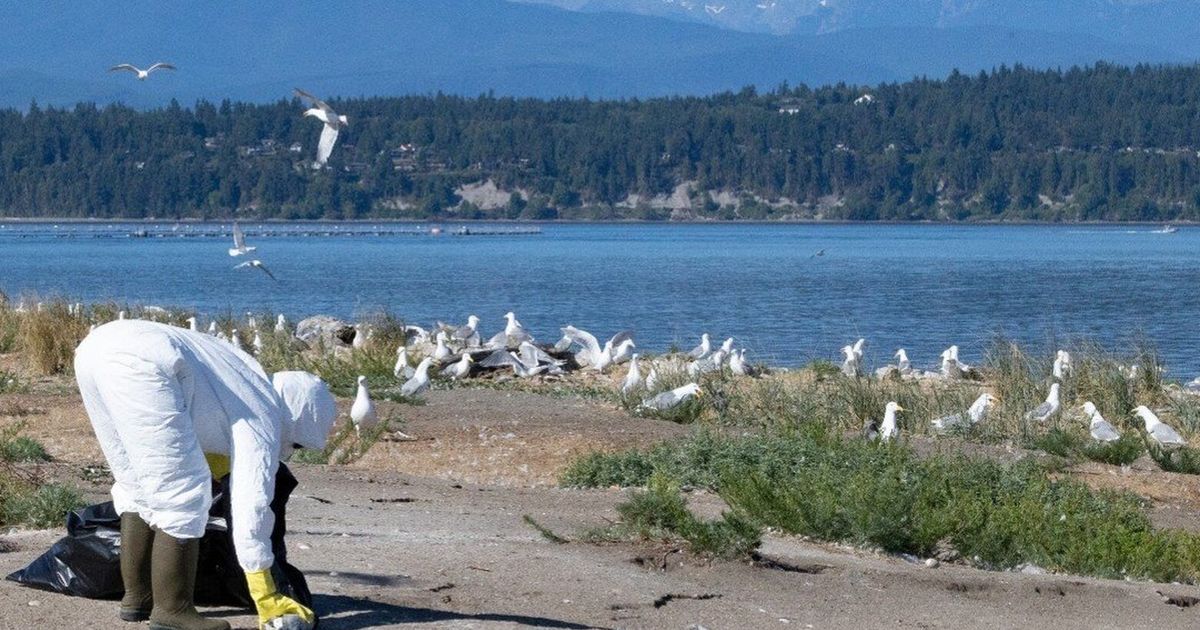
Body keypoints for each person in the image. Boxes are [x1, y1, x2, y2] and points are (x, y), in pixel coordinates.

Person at [74, 320, 337, 630]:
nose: (291, 450)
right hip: (145, 362)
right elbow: (251, 503)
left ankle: (138, 597)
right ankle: (173, 611)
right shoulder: (265, 409)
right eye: (297, 442)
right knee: (183, 495)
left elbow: (198, 425)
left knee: (137, 487)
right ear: (296, 417)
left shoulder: (240, 380)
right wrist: (264, 591)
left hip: (94, 348)